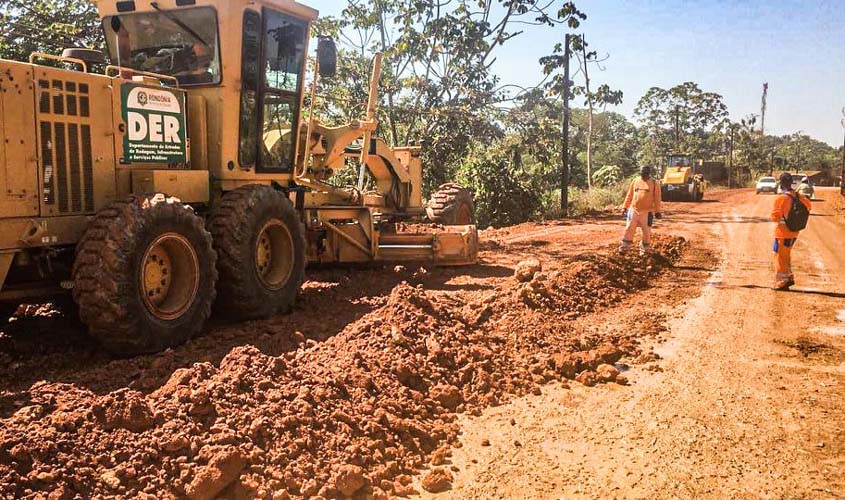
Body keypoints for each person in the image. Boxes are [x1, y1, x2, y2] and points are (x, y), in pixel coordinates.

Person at [770, 172, 812, 290]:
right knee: (784, 255)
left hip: (783, 233)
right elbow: (809, 206)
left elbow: (775, 217)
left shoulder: (781, 198)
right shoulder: (799, 196)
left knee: (781, 257)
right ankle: (788, 277)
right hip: (794, 232)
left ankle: (783, 281)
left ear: (781, 183)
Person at [620, 166, 662, 254]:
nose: (644, 175)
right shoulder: (635, 181)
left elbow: (657, 198)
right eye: (642, 173)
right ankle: (625, 247)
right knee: (629, 228)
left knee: (646, 231)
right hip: (634, 210)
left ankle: (645, 250)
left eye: (645, 174)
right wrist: (625, 207)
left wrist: (657, 212)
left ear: (649, 173)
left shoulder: (655, 183)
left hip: (647, 212)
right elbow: (630, 195)